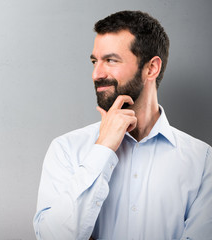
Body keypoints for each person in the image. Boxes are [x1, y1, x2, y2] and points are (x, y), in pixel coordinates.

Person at [33, 10, 212, 240]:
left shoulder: (202, 160)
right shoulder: (67, 149)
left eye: (110, 60)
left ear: (151, 68)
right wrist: (102, 149)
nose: (96, 74)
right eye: (94, 61)